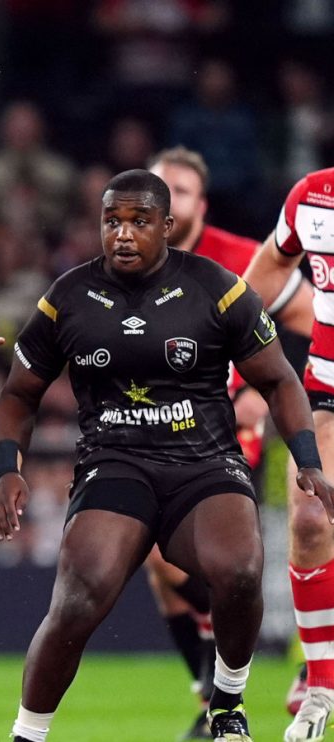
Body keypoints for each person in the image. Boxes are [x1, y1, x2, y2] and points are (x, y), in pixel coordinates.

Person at [0, 169, 334, 742]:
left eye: (139, 222)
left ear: (168, 228)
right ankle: (27, 734)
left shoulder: (218, 288)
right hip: (115, 464)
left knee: (241, 569)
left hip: (205, 466)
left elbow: (279, 382)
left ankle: (226, 704)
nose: (123, 234)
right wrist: (7, 470)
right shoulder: (68, 296)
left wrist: (308, 461)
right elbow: (18, 393)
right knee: (81, 593)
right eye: (112, 222)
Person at [146, 145, 316, 738]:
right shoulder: (131, 261)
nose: (169, 202)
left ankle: (227, 681)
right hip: (150, 424)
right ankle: (212, 683)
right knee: (159, 562)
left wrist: (252, 386)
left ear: (201, 203)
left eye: (182, 192)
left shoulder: (240, 257)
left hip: (224, 424)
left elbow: (308, 321)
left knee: (179, 550)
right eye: (160, 189)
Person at [240, 166, 334, 742]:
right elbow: (278, 260)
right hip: (327, 385)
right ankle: (320, 689)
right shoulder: (313, 195)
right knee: (307, 516)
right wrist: (229, 328)